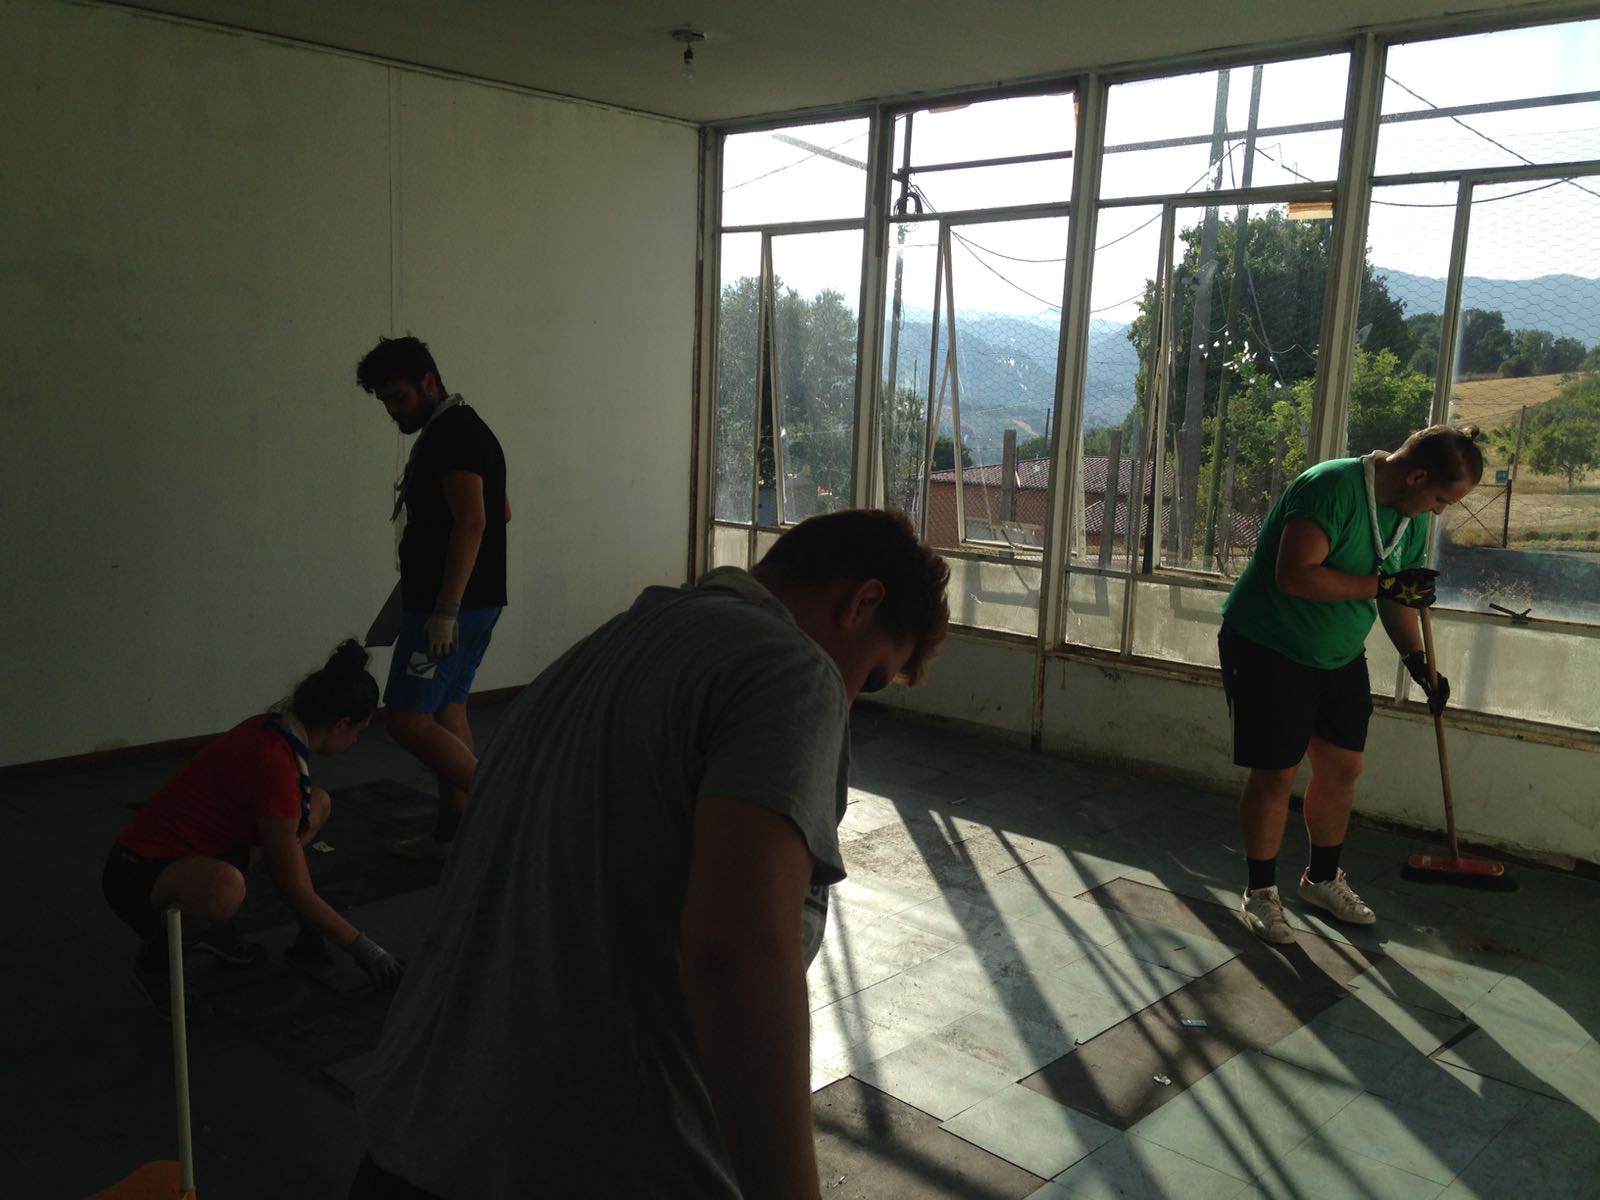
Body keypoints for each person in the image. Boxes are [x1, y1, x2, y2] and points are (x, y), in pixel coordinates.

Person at [349, 508, 950, 1200]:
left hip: (415, 1136)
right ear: (862, 602)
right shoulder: (791, 671)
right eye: (870, 678)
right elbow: (737, 955)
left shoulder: (598, 650)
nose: (850, 701)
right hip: (571, 1163)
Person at [1218, 424, 1483, 944]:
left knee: (1343, 767)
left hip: (1338, 653)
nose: (1438, 512)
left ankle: (1321, 879)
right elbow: (1295, 575)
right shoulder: (1331, 488)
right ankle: (1260, 892)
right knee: (1276, 773)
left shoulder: (1408, 518)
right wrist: (1386, 584)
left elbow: (1395, 597)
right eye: (1440, 499)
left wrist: (1418, 662)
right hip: (1269, 645)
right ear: (1417, 476)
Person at [102, 641, 404, 1022]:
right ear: (341, 723)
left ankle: (211, 930)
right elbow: (295, 885)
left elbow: (286, 860)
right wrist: (366, 950)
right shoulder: (275, 765)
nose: (357, 741)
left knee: (317, 804)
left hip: (196, 853)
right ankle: (155, 966)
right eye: (359, 730)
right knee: (225, 890)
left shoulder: (273, 729)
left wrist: (310, 928)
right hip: (136, 874)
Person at [356, 335, 509, 861]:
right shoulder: (464, 428)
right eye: (384, 401)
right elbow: (502, 510)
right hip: (471, 601)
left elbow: (475, 520)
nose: (393, 410)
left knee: (406, 719)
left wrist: (445, 610)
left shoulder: (453, 435)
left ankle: (505, 810)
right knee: (447, 710)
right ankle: (454, 835)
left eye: (398, 397)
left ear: (428, 382)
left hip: (450, 608)